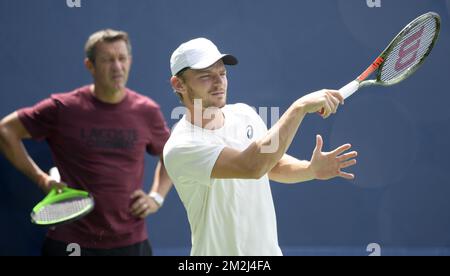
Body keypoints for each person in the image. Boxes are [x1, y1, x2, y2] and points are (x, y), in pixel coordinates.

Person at [163, 38, 358, 256]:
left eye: (222, 73)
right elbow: (252, 166)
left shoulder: (245, 113)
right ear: (178, 84)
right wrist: (299, 108)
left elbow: (272, 164)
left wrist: (309, 169)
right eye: (206, 76)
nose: (219, 83)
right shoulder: (182, 146)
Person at [0, 29, 172, 256]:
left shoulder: (147, 111)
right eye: (107, 60)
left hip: (131, 243)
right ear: (90, 65)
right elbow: (5, 130)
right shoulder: (63, 108)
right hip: (70, 242)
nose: (117, 67)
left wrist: (156, 197)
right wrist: (42, 180)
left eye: (122, 58)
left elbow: (172, 156)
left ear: (130, 61)